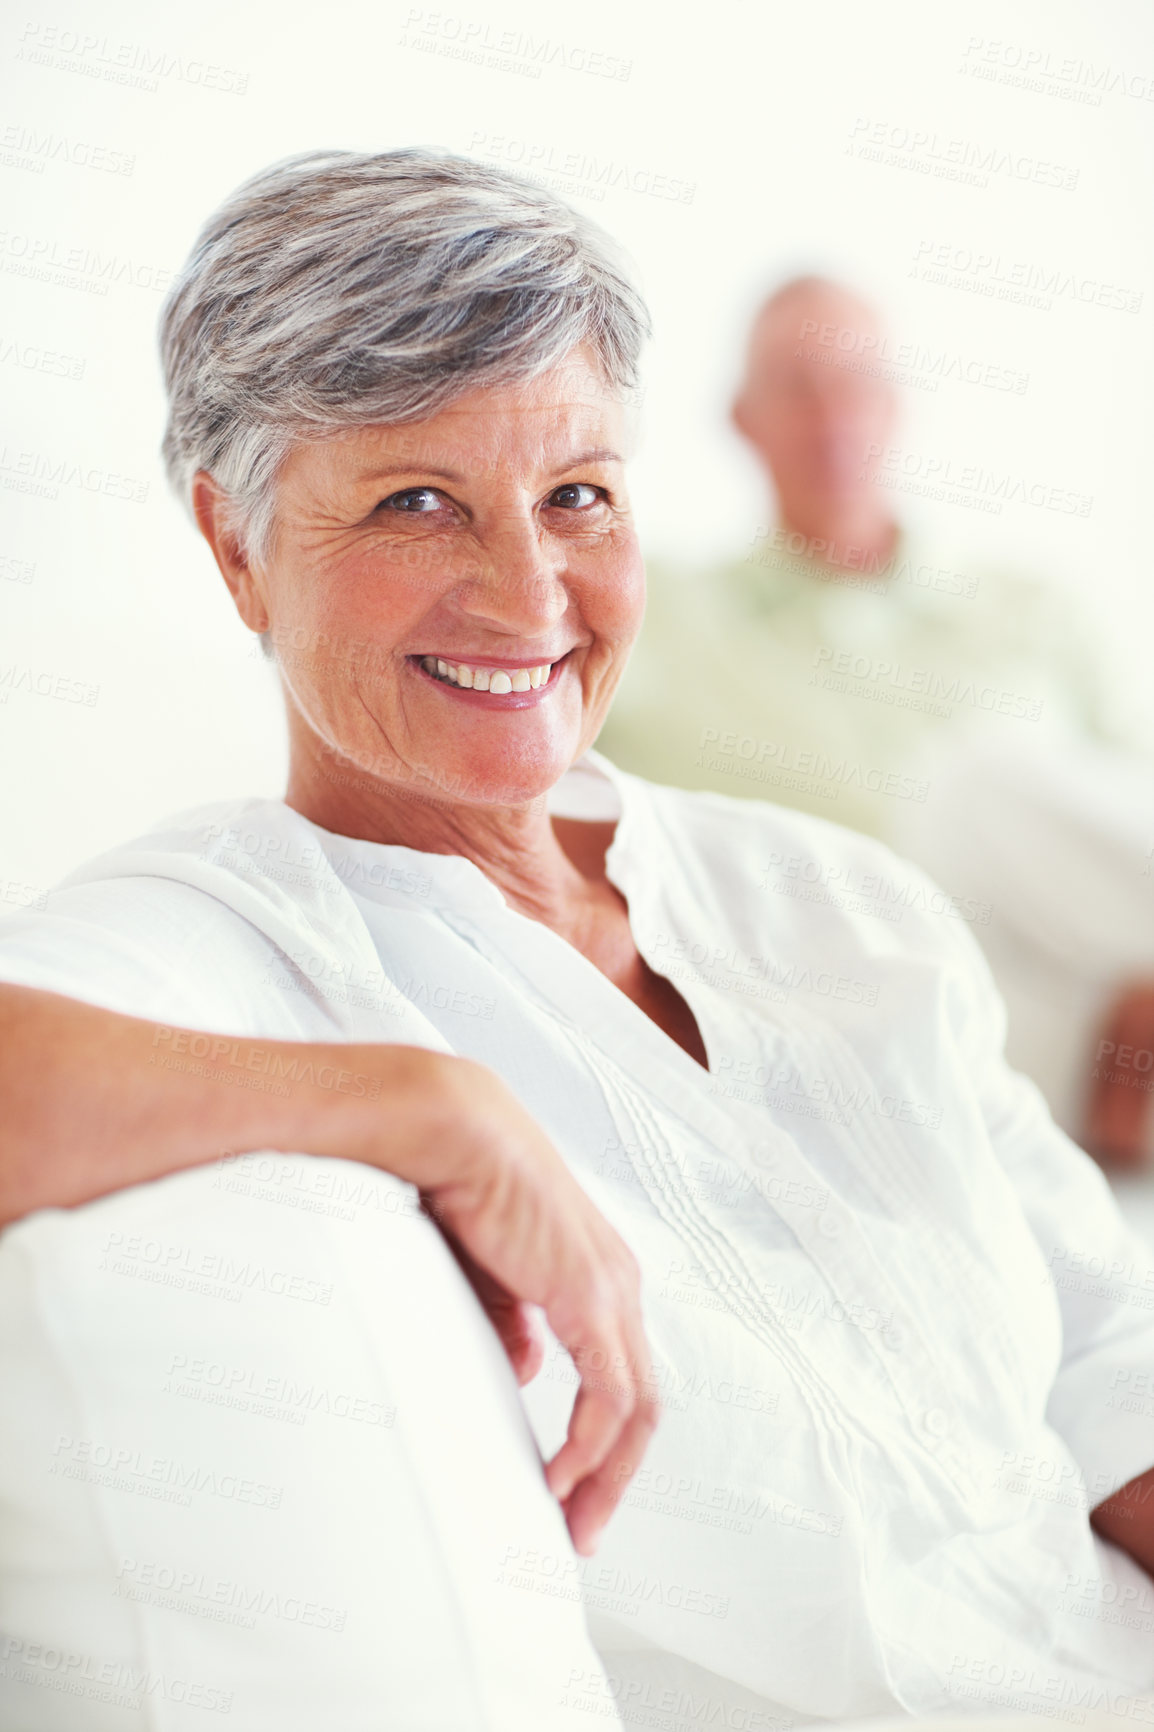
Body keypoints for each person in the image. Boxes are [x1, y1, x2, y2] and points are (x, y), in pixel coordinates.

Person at [1, 151, 1153, 1729]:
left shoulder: (832, 899)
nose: (525, 589)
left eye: (576, 497)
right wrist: (423, 1106)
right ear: (234, 542)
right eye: (417, 500)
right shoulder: (225, 939)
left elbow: (1105, 1356)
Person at [597, 276, 1154, 1166]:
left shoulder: (1032, 609)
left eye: (857, 385)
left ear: (897, 407)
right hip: (880, 988)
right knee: (885, 970)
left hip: (1093, 941)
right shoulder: (659, 617)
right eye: (797, 386)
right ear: (743, 419)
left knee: (979, 785)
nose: (832, 417)